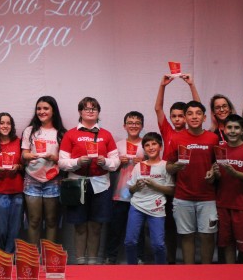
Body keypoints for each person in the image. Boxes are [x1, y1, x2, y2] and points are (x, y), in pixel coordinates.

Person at [59, 97, 120, 265]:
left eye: (94, 109)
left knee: (96, 226)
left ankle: (92, 263)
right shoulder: (70, 134)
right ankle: (80, 262)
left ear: (98, 112)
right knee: (79, 225)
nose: (90, 111)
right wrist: (77, 162)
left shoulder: (106, 135)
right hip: (76, 185)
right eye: (86, 108)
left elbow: (115, 163)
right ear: (80, 112)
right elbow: (62, 163)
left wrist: (105, 162)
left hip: (101, 184)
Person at [154, 73, 201, 264]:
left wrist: (191, 85)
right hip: (168, 181)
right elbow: (158, 108)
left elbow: (198, 108)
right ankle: (171, 262)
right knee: (169, 227)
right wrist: (163, 85)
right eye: (174, 116)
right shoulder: (168, 131)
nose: (177, 119)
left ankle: (191, 262)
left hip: (189, 182)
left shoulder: (193, 132)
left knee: (189, 228)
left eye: (181, 115)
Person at [165, 101, 219, 264]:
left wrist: (213, 172)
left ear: (204, 117)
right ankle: (189, 272)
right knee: (186, 237)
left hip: (207, 197)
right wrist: (176, 166)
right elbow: (168, 167)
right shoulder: (176, 138)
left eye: (198, 113)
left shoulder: (213, 138)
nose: (194, 117)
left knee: (207, 236)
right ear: (185, 117)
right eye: (190, 113)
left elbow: (217, 163)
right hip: (183, 196)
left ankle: (206, 272)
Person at [213, 114, 243, 264]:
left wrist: (235, 173)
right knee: (227, 244)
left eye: (236, 128)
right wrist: (214, 174)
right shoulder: (220, 149)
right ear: (224, 130)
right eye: (229, 127)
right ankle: (231, 274)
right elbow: (217, 176)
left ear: (242, 131)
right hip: (223, 204)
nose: (232, 131)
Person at [21, 96, 66, 244]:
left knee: (52, 220)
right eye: (39, 109)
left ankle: (49, 255)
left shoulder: (61, 133)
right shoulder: (30, 131)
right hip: (32, 179)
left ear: (53, 111)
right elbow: (24, 154)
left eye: (46, 108)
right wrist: (30, 155)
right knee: (34, 220)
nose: (42, 111)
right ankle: (33, 255)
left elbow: (65, 159)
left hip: (53, 180)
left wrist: (54, 157)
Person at [125, 132, 174, 264]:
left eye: (154, 144)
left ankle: (160, 271)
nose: (151, 147)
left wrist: (155, 186)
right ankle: (131, 269)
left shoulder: (165, 166)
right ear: (144, 149)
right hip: (137, 206)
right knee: (130, 242)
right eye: (147, 145)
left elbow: (171, 190)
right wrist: (136, 186)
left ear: (160, 147)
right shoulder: (139, 166)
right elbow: (130, 189)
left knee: (158, 245)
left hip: (157, 208)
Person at [105, 111, 145, 264]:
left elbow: (155, 165)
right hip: (120, 193)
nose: (133, 125)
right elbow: (109, 167)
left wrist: (143, 162)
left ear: (142, 126)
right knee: (115, 228)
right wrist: (117, 163)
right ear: (124, 126)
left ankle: (139, 258)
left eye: (137, 123)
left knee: (139, 229)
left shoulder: (147, 144)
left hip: (141, 194)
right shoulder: (118, 145)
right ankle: (111, 258)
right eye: (130, 123)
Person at [0, 113, 24, 253]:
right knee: (0, 229)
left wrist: (18, 167)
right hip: (0, 192)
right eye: (2, 123)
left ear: (12, 126)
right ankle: (4, 253)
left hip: (17, 191)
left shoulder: (19, 142)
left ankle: (8, 256)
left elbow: (25, 165)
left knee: (15, 228)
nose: (5, 126)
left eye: (8, 123)